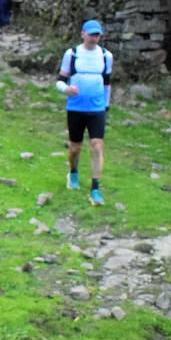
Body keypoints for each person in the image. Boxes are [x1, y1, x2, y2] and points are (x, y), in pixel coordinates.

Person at [57, 20, 114, 206]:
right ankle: (73, 172)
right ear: (83, 34)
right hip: (75, 108)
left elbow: (107, 83)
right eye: (91, 34)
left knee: (97, 146)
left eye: (97, 34)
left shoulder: (106, 56)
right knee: (75, 147)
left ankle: (95, 189)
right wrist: (66, 89)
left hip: (97, 109)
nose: (94, 37)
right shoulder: (72, 54)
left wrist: (105, 105)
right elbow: (60, 80)